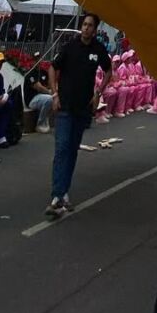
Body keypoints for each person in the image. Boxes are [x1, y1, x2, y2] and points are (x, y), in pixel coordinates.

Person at [45, 13, 111, 218]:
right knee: (62, 148)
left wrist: (98, 93)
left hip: (82, 109)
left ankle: (64, 192)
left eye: (90, 25)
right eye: (84, 24)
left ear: (95, 29)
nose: (86, 28)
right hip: (65, 106)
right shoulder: (70, 46)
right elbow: (52, 68)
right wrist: (54, 94)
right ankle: (57, 195)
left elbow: (109, 70)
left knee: (72, 150)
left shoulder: (98, 49)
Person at [25, 58, 54, 133]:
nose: (37, 61)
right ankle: (40, 124)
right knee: (49, 99)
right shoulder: (30, 73)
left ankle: (46, 121)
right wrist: (50, 92)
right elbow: (38, 87)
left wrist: (54, 90)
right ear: (31, 61)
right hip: (32, 99)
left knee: (53, 97)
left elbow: (50, 83)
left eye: (38, 59)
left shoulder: (43, 72)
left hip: (41, 97)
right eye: (35, 60)